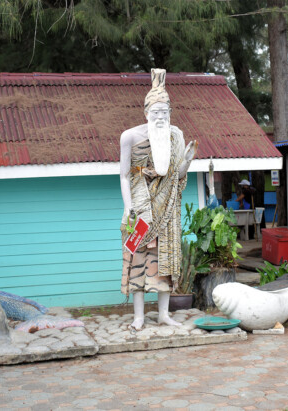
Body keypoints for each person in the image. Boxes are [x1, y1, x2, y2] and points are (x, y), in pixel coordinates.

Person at [119, 68, 196, 331]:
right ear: (146, 113)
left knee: (166, 261)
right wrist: (129, 207)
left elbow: (176, 176)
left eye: (165, 112)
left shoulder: (175, 136)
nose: (161, 117)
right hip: (140, 208)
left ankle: (163, 313)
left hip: (167, 210)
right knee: (138, 261)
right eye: (156, 112)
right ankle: (139, 317)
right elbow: (123, 176)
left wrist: (186, 161)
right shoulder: (129, 136)